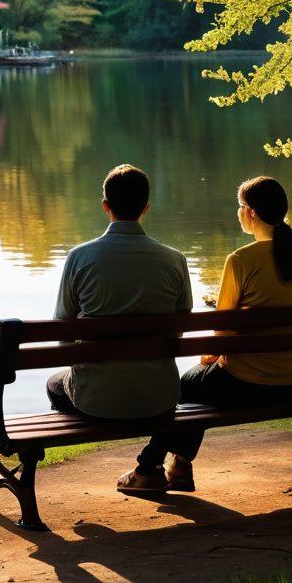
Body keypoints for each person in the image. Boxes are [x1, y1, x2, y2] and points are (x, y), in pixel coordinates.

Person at [118, 175, 292, 494]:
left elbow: (221, 330)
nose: (237, 213)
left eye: (240, 207)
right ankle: (177, 467)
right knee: (202, 383)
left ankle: (149, 467)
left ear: (251, 212)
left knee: (186, 385)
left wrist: (212, 356)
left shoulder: (241, 260)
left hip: (249, 383)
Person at [47, 164, 193, 427]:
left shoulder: (80, 257)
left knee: (53, 384)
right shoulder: (175, 260)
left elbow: (63, 331)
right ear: (146, 207)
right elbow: (178, 331)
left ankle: (89, 429)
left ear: (105, 205)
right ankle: (152, 462)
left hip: (96, 400)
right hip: (160, 397)